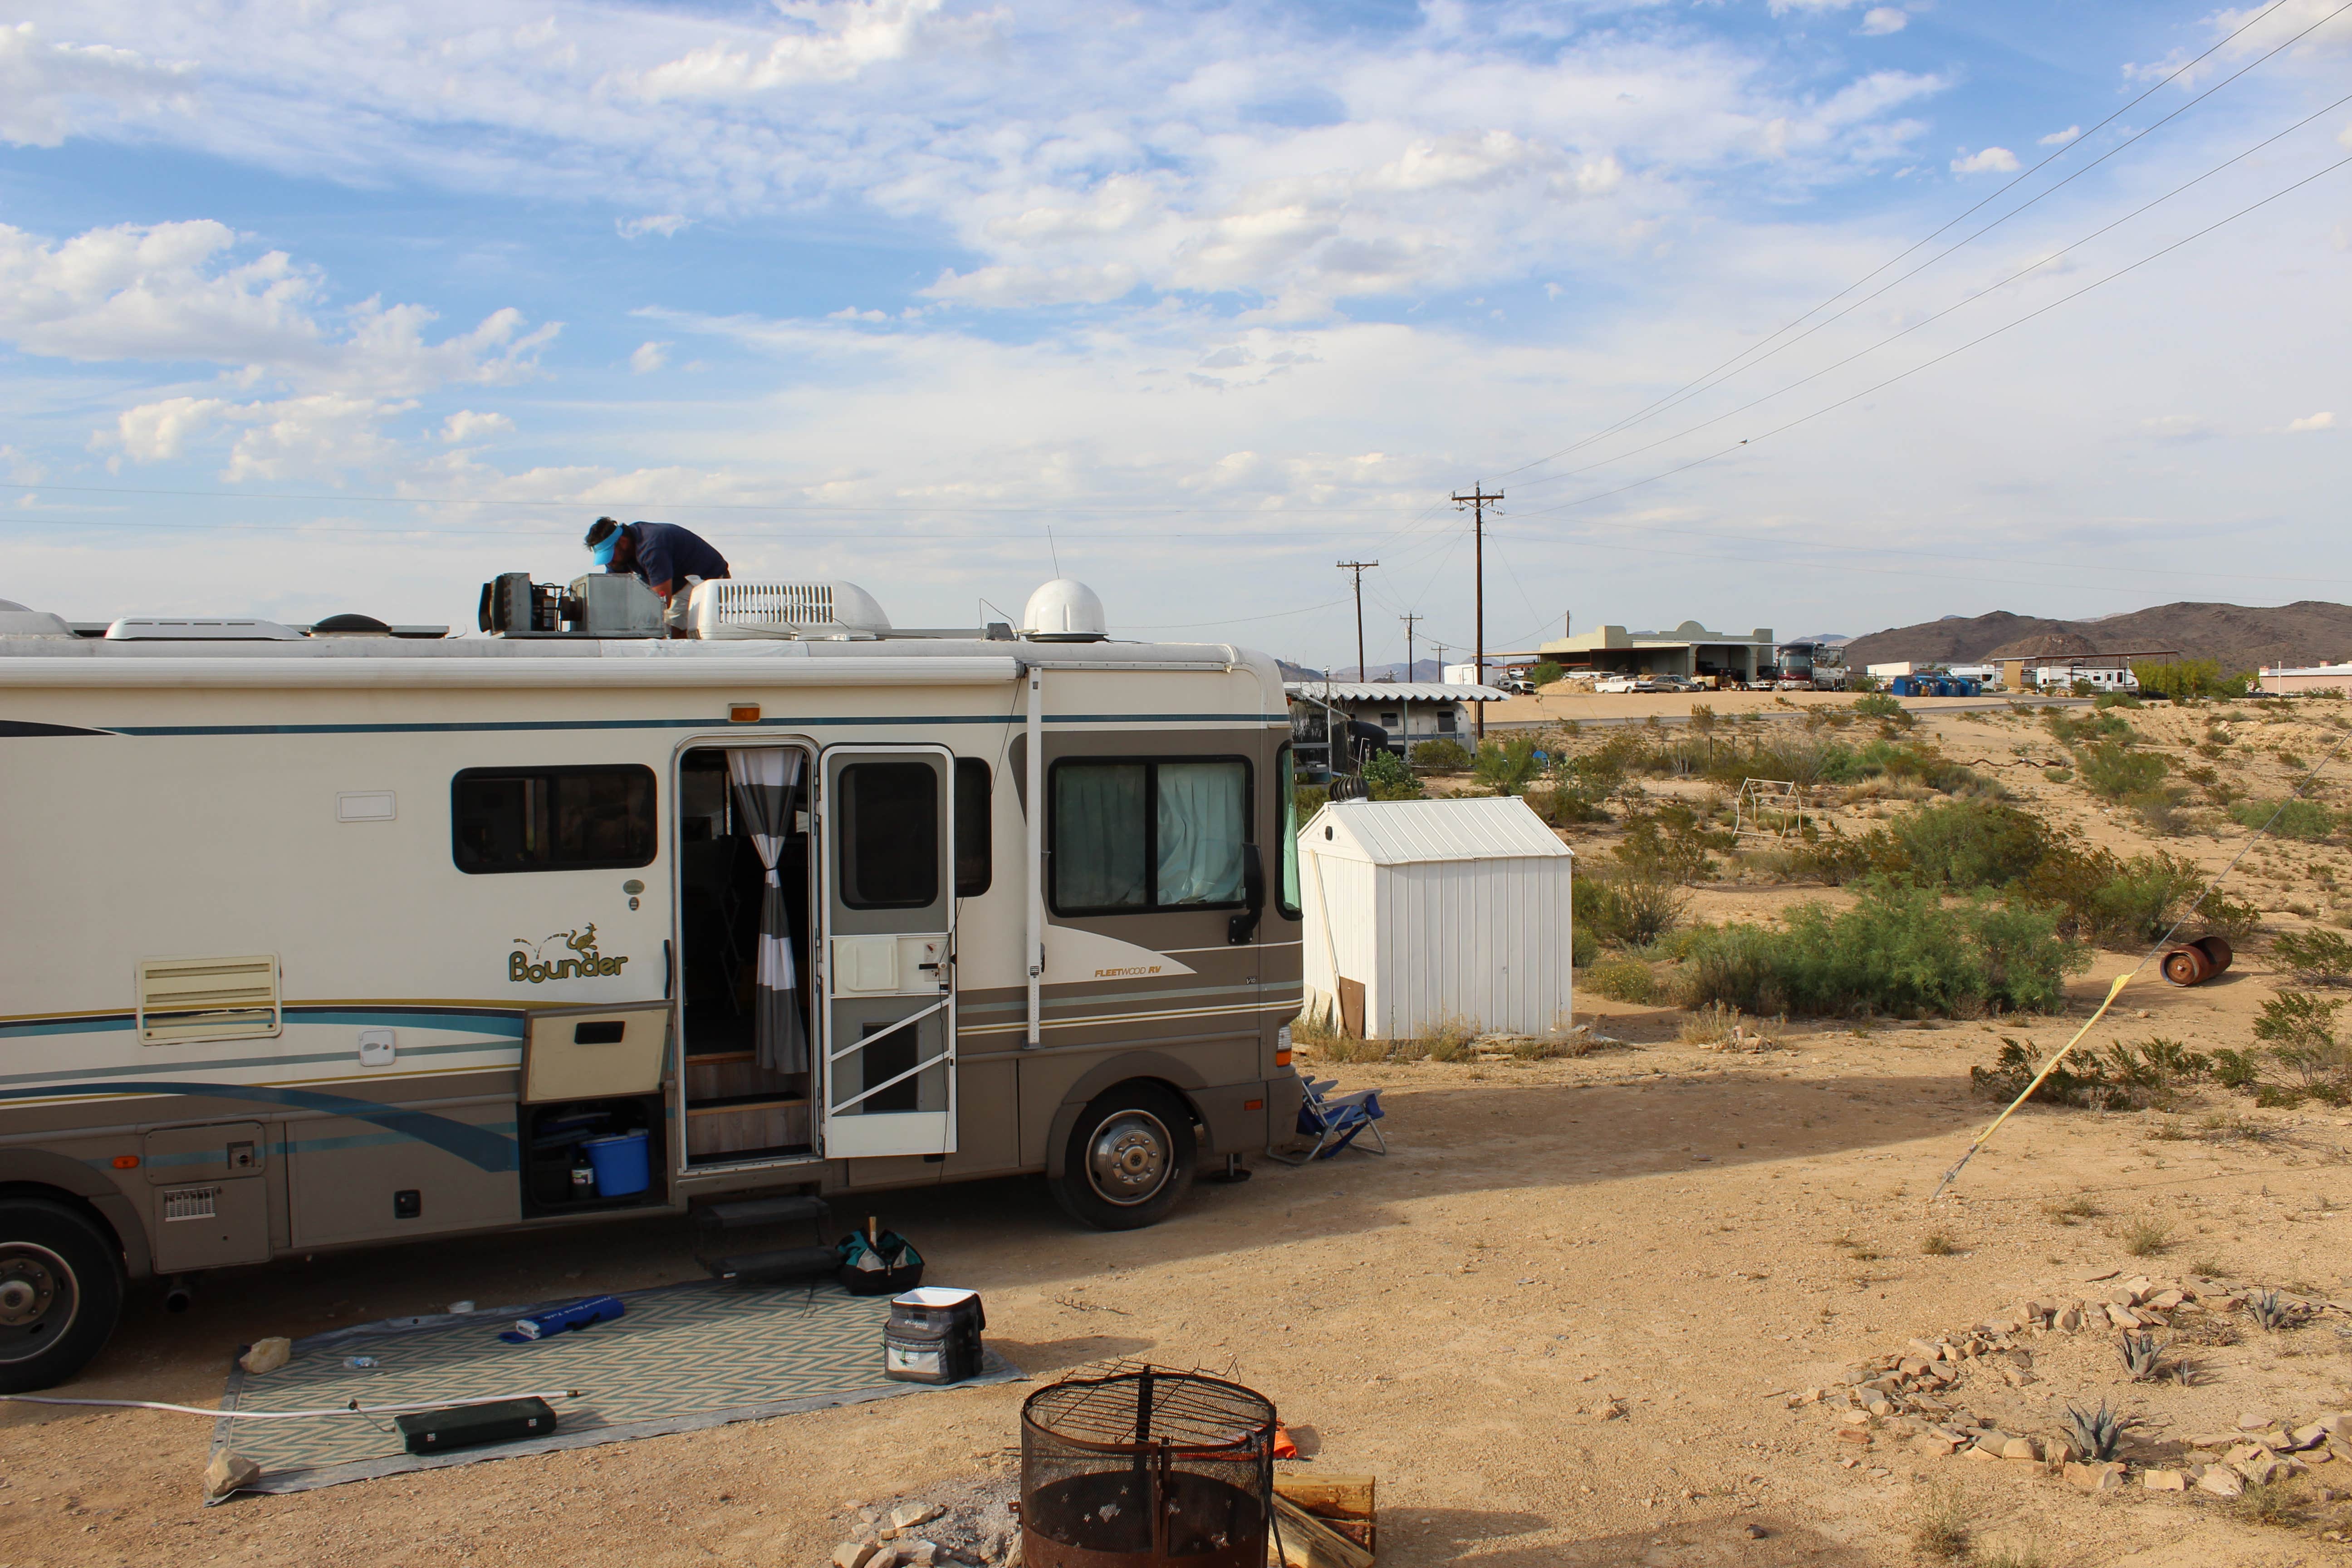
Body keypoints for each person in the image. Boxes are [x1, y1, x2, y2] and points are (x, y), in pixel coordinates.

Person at [583, 517, 730, 633]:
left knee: (669, 626)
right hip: (678, 583)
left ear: (623, 542)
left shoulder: (652, 547)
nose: (610, 562)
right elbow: (615, 589)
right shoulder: (619, 557)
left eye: (610, 556)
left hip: (705, 580)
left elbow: (662, 601)